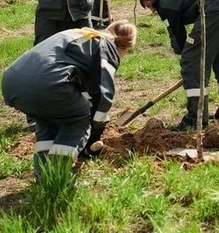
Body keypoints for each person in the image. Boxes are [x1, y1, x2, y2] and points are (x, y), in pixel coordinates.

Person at [1, 20, 137, 179]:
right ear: (126, 47)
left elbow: (82, 86)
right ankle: (56, 178)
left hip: (12, 82)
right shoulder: (107, 47)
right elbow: (102, 94)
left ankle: (43, 177)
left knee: (48, 121)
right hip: (48, 84)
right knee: (78, 120)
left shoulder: (80, 34)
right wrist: (94, 133)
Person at [140, 0, 219, 130]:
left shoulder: (163, 0)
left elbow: (176, 35)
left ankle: (195, 119)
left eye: (148, 5)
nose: (151, 11)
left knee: (193, 59)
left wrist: (186, 64)